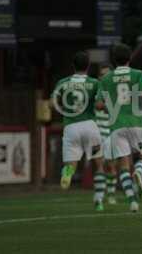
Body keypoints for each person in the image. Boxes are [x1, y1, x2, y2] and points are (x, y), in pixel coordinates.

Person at [96, 43, 142, 212]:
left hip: (116, 126)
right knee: (141, 157)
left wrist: (111, 106)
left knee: (123, 165)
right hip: (137, 123)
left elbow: (98, 105)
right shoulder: (139, 74)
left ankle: (133, 202)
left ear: (113, 60)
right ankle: (139, 172)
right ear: (130, 57)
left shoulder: (105, 79)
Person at [51, 51, 105, 211]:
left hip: (70, 127)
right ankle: (99, 200)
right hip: (90, 126)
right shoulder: (95, 83)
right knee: (99, 164)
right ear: (88, 66)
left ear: (73, 66)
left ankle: (68, 173)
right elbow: (99, 105)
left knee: (72, 163)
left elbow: (52, 104)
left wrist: (64, 109)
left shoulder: (63, 82)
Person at [95, 63, 118, 205]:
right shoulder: (94, 90)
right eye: (103, 74)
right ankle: (99, 196)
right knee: (99, 165)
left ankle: (111, 194)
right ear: (99, 77)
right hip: (97, 132)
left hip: (112, 132)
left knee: (111, 166)